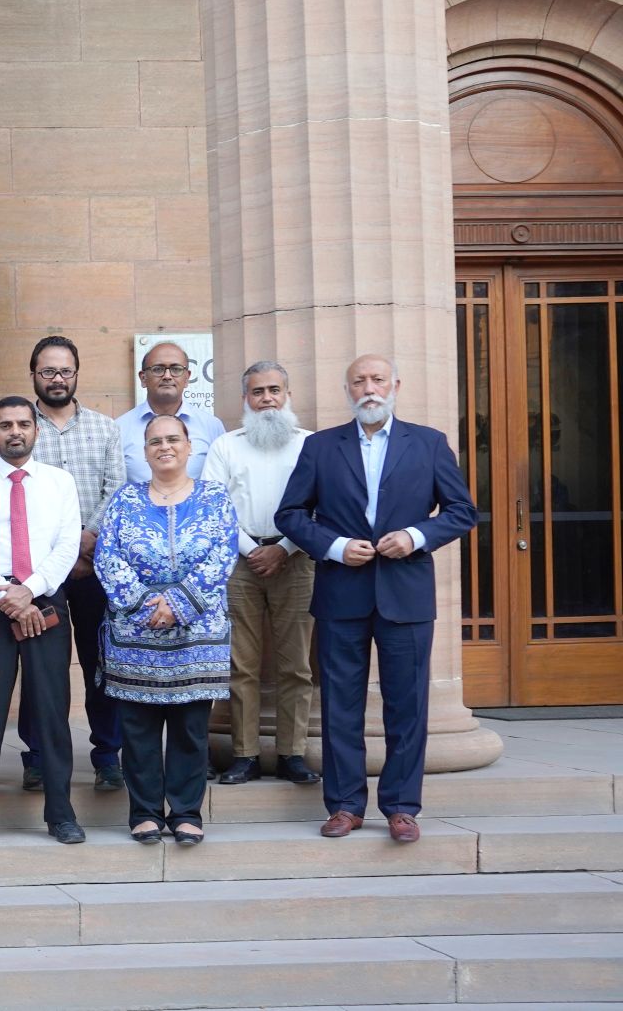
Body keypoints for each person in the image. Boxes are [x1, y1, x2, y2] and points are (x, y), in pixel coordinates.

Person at [276, 354, 476, 844]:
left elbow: (461, 510)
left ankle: (402, 807)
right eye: (359, 381)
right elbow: (291, 514)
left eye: (378, 380)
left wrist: (415, 536)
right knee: (339, 705)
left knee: (407, 705)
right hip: (341, 593)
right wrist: (335, 547)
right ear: (347, 390)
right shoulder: (321, 447)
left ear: (395, 386)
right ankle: (345, 806)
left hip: (406, 594)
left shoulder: (428, 443)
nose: (369, 388)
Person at [0, 397, 87, 846]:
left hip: (45, 599)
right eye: (6, 425)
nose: (15, 432)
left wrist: (31, 589)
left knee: (51, 710)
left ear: (36, 431)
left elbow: (66, 545)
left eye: (23, 424)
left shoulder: (60, 483)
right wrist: (8, 595)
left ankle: (61, 814)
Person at [94, 413, 237, 845]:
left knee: (190, 730)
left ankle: (187, 812)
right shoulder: (125, 499)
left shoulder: (215, 498)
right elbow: (107, 556)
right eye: (155, 441)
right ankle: (145, 813)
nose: (165, 447)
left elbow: (223, 554)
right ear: (145, 452)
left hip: (198, 635)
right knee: (138, 730)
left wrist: (178, 604)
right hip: (135, 635)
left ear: (190, 447)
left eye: (174, 439)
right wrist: (144, 606)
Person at [15, 335, 127, 794]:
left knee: (102, 662)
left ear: (77, 375)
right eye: (48, 371)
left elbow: (116, 490)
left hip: (94, 566)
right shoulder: (21, 426)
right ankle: (39, 757)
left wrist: (85, 541)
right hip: (40, 571)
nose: (57, 379)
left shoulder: (105, 428)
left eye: (65, 371)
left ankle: (107, 756)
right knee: (43, 665)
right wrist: (61, 548)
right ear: (34, 375)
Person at [205, 361, 319, 786]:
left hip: (297, 558)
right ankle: (245, 755)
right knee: (242, 666)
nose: (267, 398)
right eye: (258, 392)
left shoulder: (311, 445)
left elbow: (321, 506)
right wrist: (254, 551)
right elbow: (214, 507)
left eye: (274, 390)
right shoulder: (226, 446)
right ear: (245, 399)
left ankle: (292, 754)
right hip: (240, 561)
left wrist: (283, 549)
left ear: (288, 395)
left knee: (296, 665)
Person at [117, 341, 225, 484]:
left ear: (187, 378)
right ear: (143, 378)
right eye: (158, 369)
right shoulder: (119, 428)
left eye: (176, 369)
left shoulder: (212, 426)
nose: (167, 376)